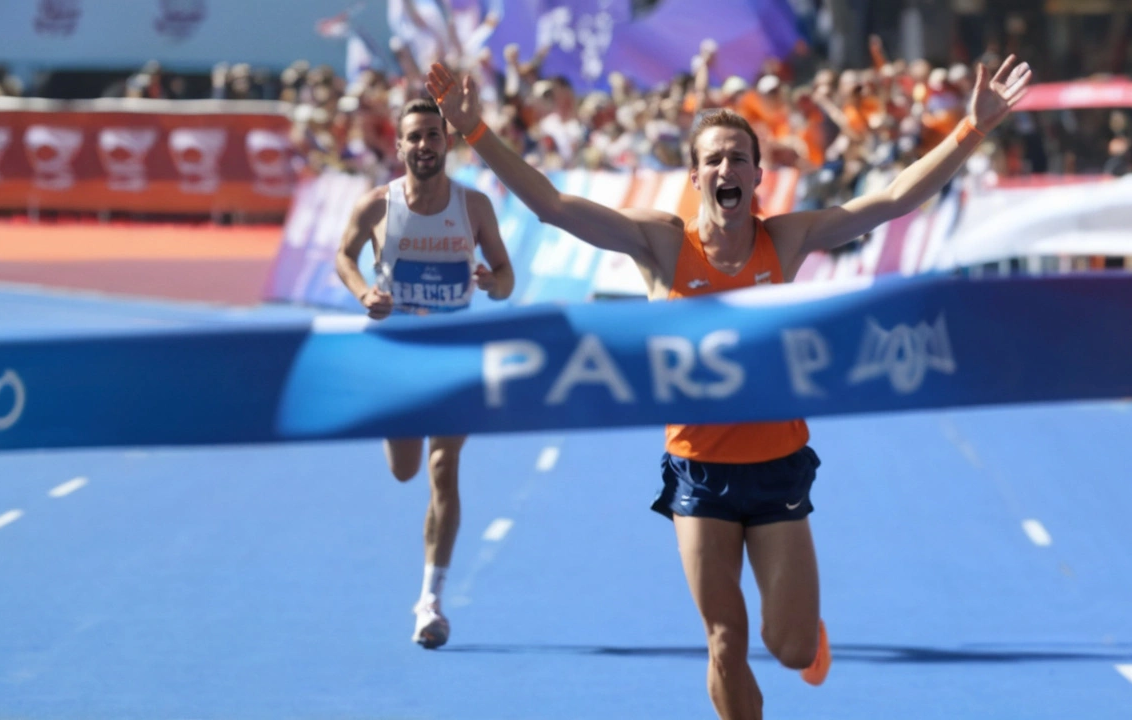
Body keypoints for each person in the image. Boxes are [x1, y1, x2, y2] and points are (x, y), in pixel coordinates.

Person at [426, 55, 1030, 716]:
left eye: (738, 159)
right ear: (694, 176)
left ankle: (806, 633)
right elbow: (553, 206)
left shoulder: (786, 240)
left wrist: (970, 131)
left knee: (792, 648)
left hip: (778, 470)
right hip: (699, 473)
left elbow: (888, 202)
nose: (725, 170)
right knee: (723, 640)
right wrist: (475, 131)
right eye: (712, 159)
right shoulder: (661, 245)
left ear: (757, 176)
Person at [335, 96, 515, 649]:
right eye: (413, 137)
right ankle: (428, 592)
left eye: (432, 136)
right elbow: (343, 256)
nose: (423, 146)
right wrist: (366, 290)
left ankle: (430, 601)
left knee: (444, 467)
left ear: (448, 143)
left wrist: (492, 284)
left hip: (452, 355)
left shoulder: (475, 207)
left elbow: (507, 277)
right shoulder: (376, 206)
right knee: (405, 470)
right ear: (399, 146)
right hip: (396, 355)